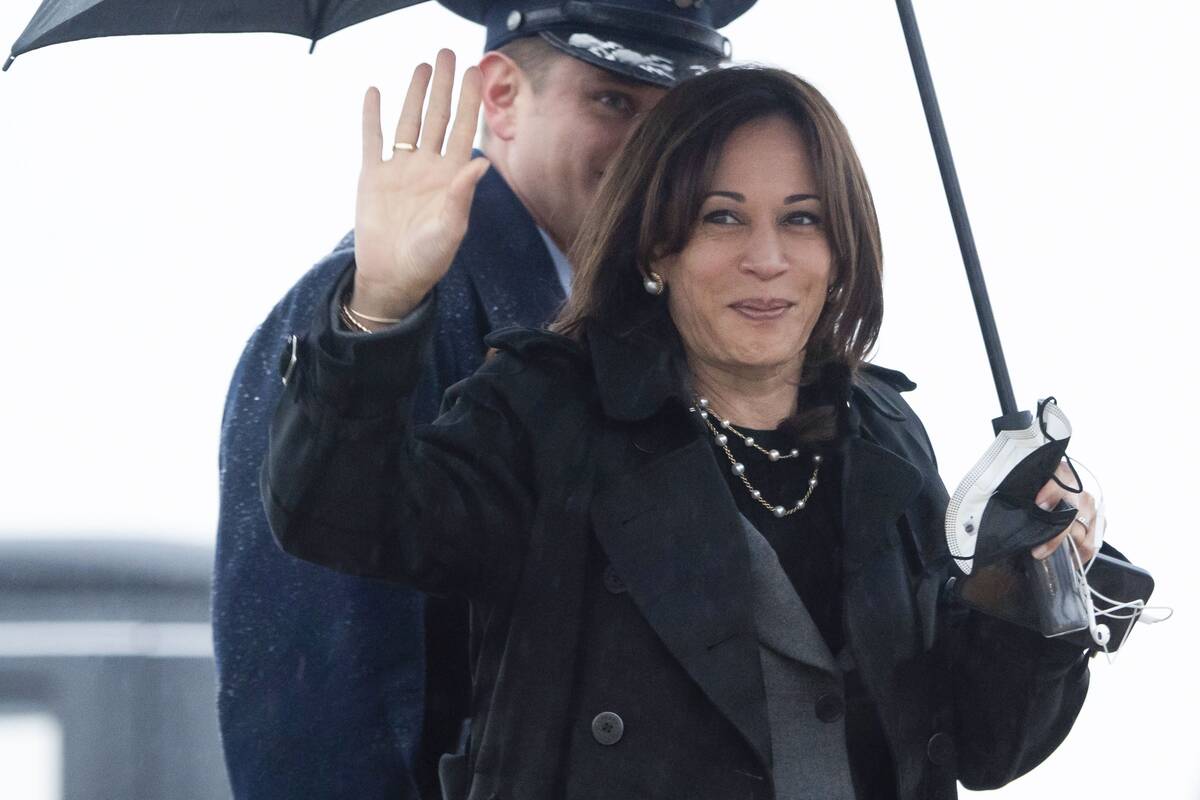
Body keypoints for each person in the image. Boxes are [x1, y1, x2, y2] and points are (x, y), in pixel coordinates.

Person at [262, 58, 1103, 800]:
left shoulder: (885, 433)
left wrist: (1030, 581)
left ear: (842, 248)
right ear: (656, 247)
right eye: (723, 218)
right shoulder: (545, 411)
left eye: (802, 218)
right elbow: (336, 511)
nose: (767, 257)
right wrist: (380, 303)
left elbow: (988, 747)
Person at [213, 1, 758, 797]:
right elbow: (316, 695)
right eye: (613, 100)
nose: (654, 149)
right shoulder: (372, 318)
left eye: (680, 116)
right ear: (499, 96)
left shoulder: (654, 326)